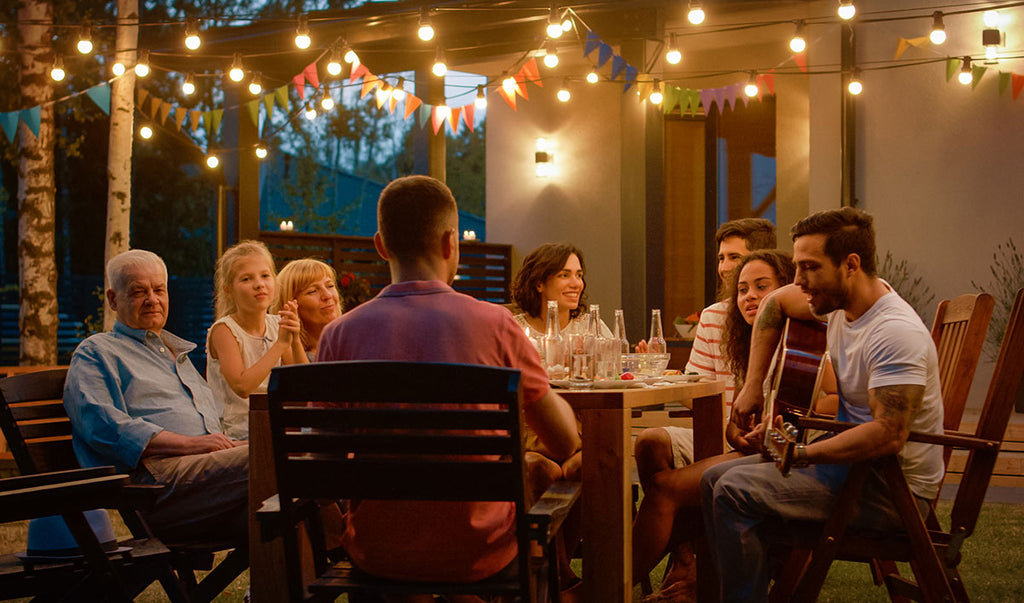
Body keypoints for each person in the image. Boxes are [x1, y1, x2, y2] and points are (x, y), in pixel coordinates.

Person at [318, 175, 580, 593]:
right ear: (450, 243)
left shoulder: (339, 335)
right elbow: (565, 441)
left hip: (378, 551)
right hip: (480, 549)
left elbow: (323, 461)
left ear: (381, 246)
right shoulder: (496, 325)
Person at [701, 207, 944, 602]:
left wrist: (801, 452)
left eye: (809, 268)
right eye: (797, 266)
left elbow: (888, 434)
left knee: (732, 489)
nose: (798, 281)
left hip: (889, 492)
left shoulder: (894, 333)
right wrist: (752, 387)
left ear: (851, 264)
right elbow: (774, 305)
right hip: (853, 472)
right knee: (713, 478)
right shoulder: (840, 308)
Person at [631, 250, 795, 601]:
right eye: (743, 289)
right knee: (652, 448)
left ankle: (605, 588)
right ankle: (681, 571)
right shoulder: (739, 334)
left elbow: (818, 405)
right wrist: (737, 428)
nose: (750, 296)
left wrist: (762, 430)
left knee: (666, 490)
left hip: (787, 456)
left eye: (761, 287)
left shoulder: (802, 341)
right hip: (754, 446)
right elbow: (709, 395)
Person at [64, 249, 248, 544]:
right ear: (113, 299)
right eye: (138, 291)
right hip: (154, 489)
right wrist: (192, 445)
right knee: (274, 459)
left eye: (159, 290)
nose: (152, 299)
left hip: (207, 480)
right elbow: (103, 425)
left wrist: (231, 443)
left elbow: (212, 435)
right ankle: (340, 558)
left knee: (290, 468)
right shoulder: (97, 352)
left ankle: (316, 577)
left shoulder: (175, 355)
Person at [207, 240, 305, 440]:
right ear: (228, 289)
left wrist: (294, 338)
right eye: (246, 279)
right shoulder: (224, 330)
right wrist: (280, 345)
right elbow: (242, 387)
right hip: (236, 433)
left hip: (276, 424)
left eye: (265, 276)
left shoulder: (277, 324)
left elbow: (303, 382)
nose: (259, 284)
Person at [509, 243, 613, 340]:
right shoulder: (513, 330)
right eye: (564, 275)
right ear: (539, 283)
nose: (576, 284)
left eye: (579, 275)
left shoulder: (591, 327)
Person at [272, 258, 342, 361]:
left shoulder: (351, 342)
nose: (327, 295)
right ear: (290, 304)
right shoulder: (283, 354)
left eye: (330, 286)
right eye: (312, 291)